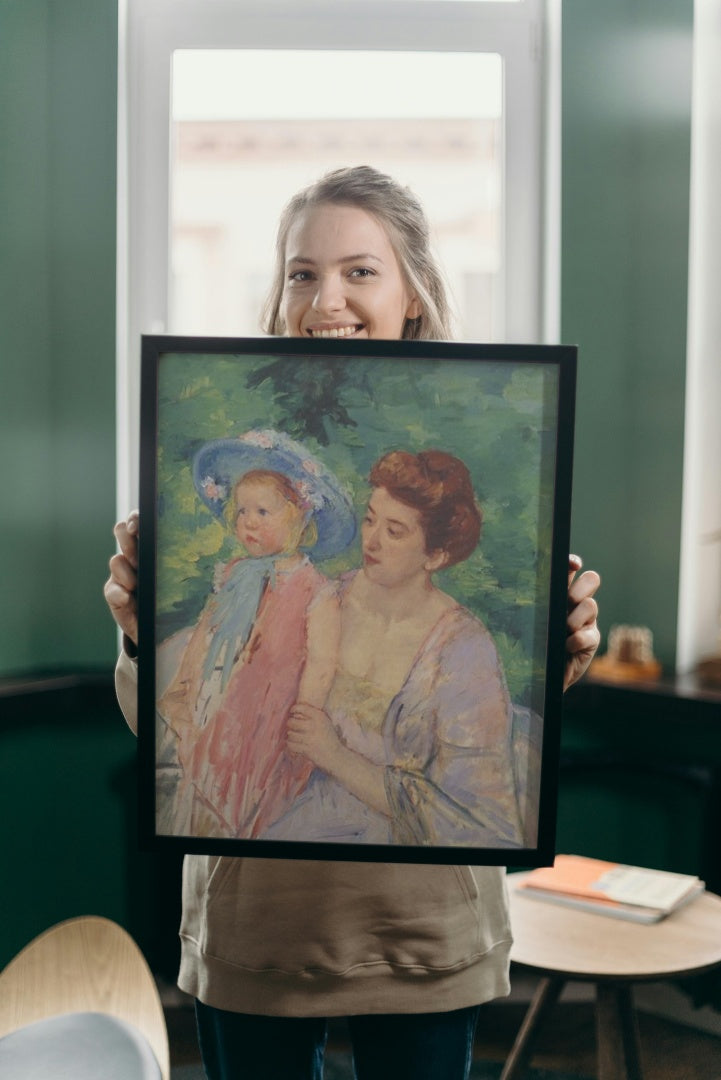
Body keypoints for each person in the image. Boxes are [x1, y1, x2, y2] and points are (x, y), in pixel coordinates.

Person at [105, 165, 601, 1080]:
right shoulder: (277, 574)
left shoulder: (466, 559)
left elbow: (483, 766)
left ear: (413, 291)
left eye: (359, 271)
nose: (324, 297)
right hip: (257, 924)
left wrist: (557, 652)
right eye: (301, 272)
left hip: (418, 930)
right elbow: (176, 724)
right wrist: (136, 635)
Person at [267, 447, 524, 850]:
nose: (372, 540)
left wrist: (336, 757)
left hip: (406, 878)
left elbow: (478, 822)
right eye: (370, 520)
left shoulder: (463, 650)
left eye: (395, 531)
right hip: (284, 842)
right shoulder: (321, 601)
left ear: (435, 555)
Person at [156, 429, 356, 839]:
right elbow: (207, 635)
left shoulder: (317, 591)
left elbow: (321, 664)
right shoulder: (234, 574)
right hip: (220, 701)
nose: (248, 522)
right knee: (204, 779)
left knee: (254, 795)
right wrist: (185, 687)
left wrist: (305, 720)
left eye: (262, 512)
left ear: (299, 519)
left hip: (270, 715)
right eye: (242, 511)